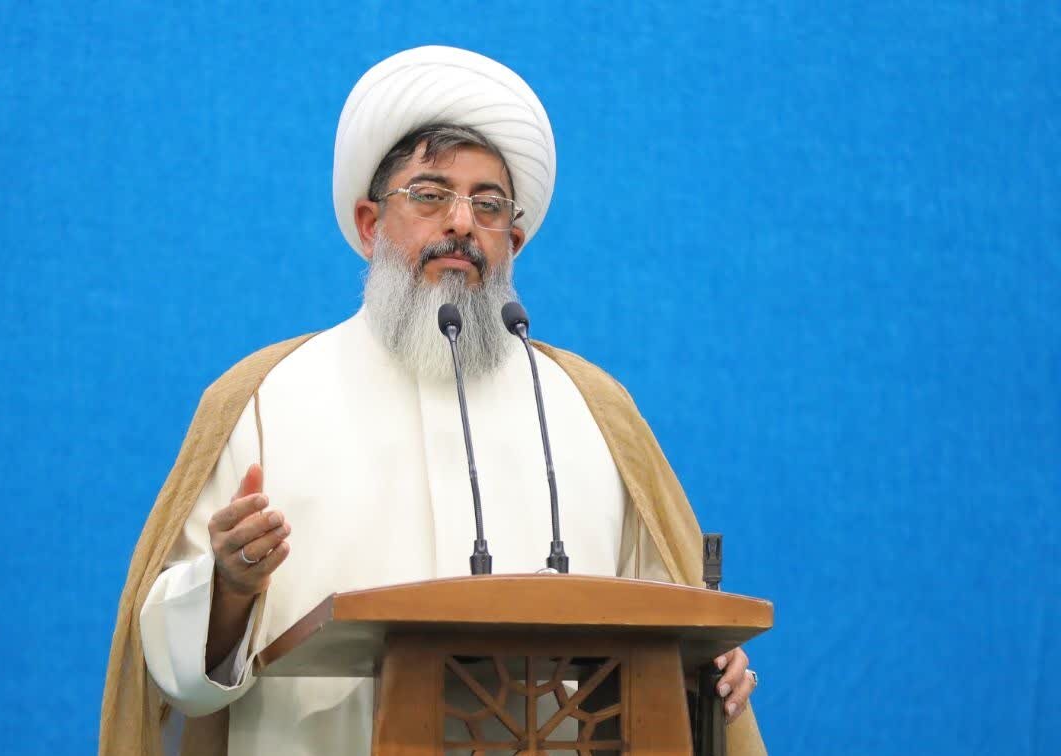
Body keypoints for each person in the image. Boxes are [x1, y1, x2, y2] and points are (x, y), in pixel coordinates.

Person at [99, 45, 764, 756]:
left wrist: (709, 664)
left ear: (513, 239)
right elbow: (172, 672)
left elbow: (667, 629)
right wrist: (228, 589)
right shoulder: (265, 400)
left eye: (488, 205)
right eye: (429, 195)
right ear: (368, 224)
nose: (461, 223)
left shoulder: (588, 409)